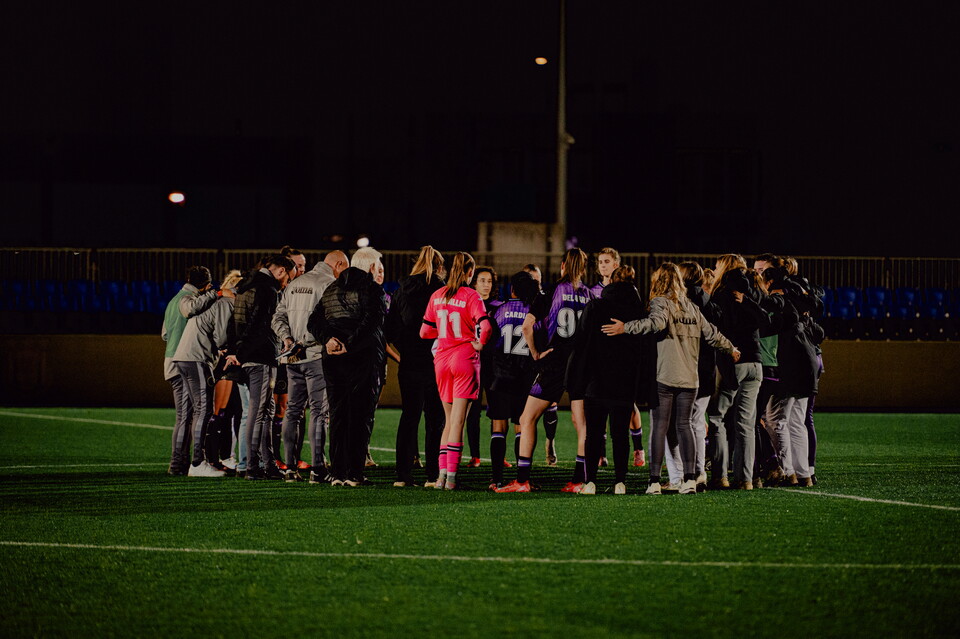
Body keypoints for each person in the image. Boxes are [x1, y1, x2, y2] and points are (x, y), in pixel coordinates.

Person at [602, 263, 739, 495]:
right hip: (690, 378)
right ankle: (689, 479)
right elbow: (712, 334)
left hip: (665, 376)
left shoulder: (660, 303)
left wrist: (625, 328)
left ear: (660, 281)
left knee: (660, 428)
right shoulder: (692, 308)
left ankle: (654, 481)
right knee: (685, 426)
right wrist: (732, 348)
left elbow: (655, 323)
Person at [497, 248, 594, 494]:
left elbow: (527, 327)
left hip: (554, 362)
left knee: (527, 418)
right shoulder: (590, 296)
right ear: (583, 269)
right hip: (581, 364)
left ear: (562, 266)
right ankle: (578, 481)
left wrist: (536, 353)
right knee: (581, 425)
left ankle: (522, 481)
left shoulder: (549, 292)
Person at [308, 247, 387, 487]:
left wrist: (330, 340)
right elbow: (372, 321)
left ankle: (338, 472)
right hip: (361, 357)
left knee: (339, 414)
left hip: (332, 357)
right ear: (371, 268)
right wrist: (349, 344)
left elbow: (314, 321)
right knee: (360, 414)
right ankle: (354, 473)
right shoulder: (372, 289)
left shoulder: (332, 289)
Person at [568, 265, 646, 494]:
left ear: (611, 280)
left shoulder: (595, 306)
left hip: (596, 380)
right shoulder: (638, 310)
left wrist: (577, 378)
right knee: (620, 434)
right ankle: (620, 482)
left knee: (594, 433)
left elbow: (582, 342)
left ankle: (590, 482)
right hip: (624, 381)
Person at [420, 252, 494, 490]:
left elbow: (424, 332)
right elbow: (486, 326)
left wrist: (445, 334)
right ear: (470, 273)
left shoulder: (437, 294)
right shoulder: (471, 295)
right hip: (464, 358)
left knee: (448, 420)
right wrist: (480, 343)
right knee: (459, 421)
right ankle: (451, 478)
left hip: (441, 359)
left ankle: (441, 477)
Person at [271, 250, 346, 483]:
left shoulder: (295, 284)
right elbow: (333, 321)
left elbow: (277, 317)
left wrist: (287, 339)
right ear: (339, 264)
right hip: (315, 355)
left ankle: (290, 468)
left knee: (293, 411)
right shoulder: (329, 284)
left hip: (292, 357)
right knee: (318, 412)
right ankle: (317, 468)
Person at [224, 254, 295, 480]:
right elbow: (259, 325)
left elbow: (234, 323)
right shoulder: (267, 290)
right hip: (261, 356)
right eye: (287, 278)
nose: (286, 284)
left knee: (264, 411)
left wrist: (235, 351)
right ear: (282, 271)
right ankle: (254, 466)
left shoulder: (245, 286)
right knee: (258, 412)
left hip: (249, 356)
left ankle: (267, 464)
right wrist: (241, 352)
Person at [385, 246, 446, 487]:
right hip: (435, 361)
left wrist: (406, 349)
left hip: (410, 361)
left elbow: (390, 330)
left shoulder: (401, 291)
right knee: (435, 419)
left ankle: (403, 475)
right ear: (440, 267)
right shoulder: (441, 291)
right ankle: (433, 474)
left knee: (409, 417)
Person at [172, 270, 243, 477]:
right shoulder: (227, 303)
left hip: (185, 356)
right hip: (196, 357)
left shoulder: (213, 301)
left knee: (196, 411)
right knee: (204, 410)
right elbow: (221, 336)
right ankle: (197, 463)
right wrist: (228, 349)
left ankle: (185, 463)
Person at [161, 265, 218, 475]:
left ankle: (180, 463)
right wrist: (214, 295)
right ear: (206, 284)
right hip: (184, 360)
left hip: (171, 358)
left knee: (186, 414)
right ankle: (179, 464)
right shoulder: (187, 300)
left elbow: (165, 334)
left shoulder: (171, 301)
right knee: (186, 415)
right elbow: (190, 310)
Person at [485, 270, 539, 489]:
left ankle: (496, 479)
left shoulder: (499, 310)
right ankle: (520, 477)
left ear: (512, 289)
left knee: (499, 426)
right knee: (521, 426)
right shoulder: (533, 312)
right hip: (524, 377)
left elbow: (490, 342)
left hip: (500, 375)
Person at [465, 266, 501, 467]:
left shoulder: (498, 306)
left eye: (489, 281)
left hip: (494, 364)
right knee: (473, 410)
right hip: (472, 363)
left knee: (497, 409)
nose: (486, 285)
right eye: (482, 281)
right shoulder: (468, 304)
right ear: (474, 282)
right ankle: (475, 455)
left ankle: (499, 454)